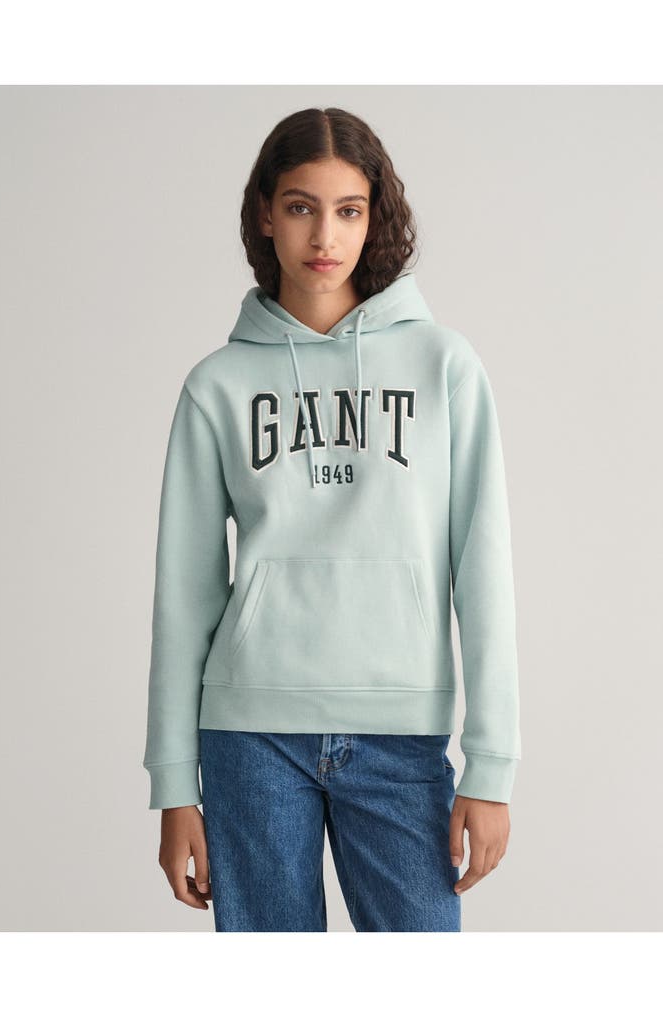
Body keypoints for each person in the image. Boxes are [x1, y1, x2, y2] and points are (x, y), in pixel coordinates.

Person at [142, 106, 521, 932]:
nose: (325, 235)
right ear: (265, 215)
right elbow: (184, 594)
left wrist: (491, 765)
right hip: (250, 737)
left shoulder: (444, 366)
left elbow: (483, 570)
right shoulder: (217, 386)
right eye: (300, 206)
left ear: (375, 218)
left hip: (400, 735)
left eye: (349, 209)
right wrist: (173, 783)